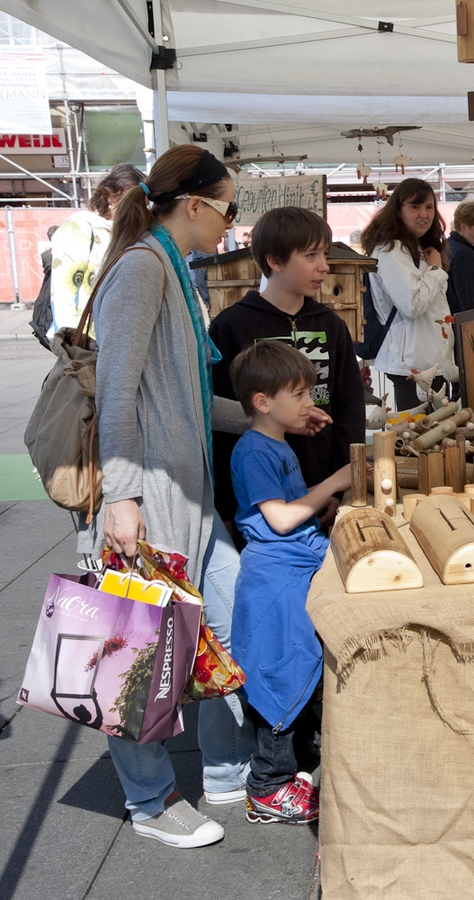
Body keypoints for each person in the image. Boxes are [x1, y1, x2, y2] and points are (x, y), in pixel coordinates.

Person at [85, 145, 290, 848]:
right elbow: (117, 393)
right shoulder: (144, 268)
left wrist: (270, 419)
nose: (234, 225)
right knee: (138, 655)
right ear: (195, 205)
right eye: (230, 210)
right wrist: (122, 497)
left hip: (189, 500)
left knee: (231, 622)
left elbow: (189, 401)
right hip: (150, 501)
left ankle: (225, 773)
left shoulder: (173, 269)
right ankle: (150, 802)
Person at [227, 340, 351, 825]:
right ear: (263, 402)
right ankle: (267, 787)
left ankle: (293, 768)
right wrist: (333, 483)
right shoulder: (254, 450)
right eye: (298, 394)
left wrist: (323, 505)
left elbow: (291, 508)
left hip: (290, 568)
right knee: (280, 676)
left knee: (298, 669)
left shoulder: (275, 443)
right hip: (276, 580)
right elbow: (279, 519)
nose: (308, 403)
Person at [209, 206, 365, 536]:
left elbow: (349, 411)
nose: (324, 266)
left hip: (324, 488)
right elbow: (220, 422)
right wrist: (224, 506)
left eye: (325, 254)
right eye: (310, 255)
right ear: (275, 261)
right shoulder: (231, 326)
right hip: (259, 505)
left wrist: (340, 488)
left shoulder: (332, 326)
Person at [361, 178, 450, 413]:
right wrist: (435, 270)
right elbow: (412, 305)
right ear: (398, 211)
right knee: (418, 431)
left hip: (427, 359)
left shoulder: (414, 247)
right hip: (411, 363)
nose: (424, 214)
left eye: (429, 207)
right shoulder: (390, 251)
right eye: (414, 207)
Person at [48, 163, 144, 339]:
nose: (137, 210)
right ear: (109, 197)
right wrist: (70, 343)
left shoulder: (127, 234)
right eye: (130, 202)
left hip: (114, 337)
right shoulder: (79, 227)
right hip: (85, 339)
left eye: (142, 204)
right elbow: (63, 292)